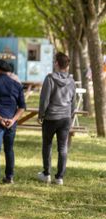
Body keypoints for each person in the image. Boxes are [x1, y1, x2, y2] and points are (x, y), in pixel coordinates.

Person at [0, 59, 26, 189]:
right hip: (11, 122)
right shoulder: (17, 85)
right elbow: (22, 107)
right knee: (9, 149)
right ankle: (9, 176)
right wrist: (13, 120)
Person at [37, 52, 76, 185]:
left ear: (57, 64)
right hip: (65, 118)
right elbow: (73, 102)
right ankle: (59, 177)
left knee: (47, 145)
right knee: (63, 147)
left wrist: (41, 115)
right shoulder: (71, 81)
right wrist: (70, 116)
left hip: (51, 117)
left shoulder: (50, 78)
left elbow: (44, 100)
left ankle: (46, 174)